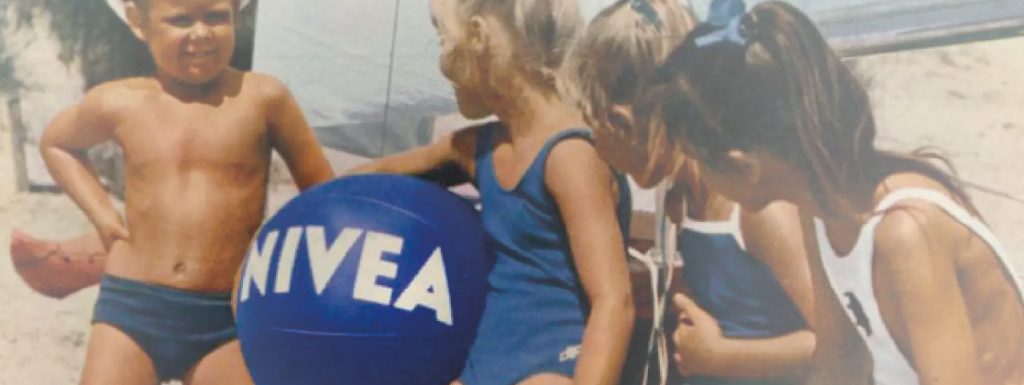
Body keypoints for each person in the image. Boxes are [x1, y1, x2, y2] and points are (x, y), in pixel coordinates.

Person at [642, 2, 1024, 384]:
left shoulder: (905, 234)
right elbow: (839, 363)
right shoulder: (821, 212)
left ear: (745, 167)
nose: (699, 177)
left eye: (697, 161)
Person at [39, 0, 333, 383]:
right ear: (138, 21)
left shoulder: (264, 98)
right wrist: (102, 213)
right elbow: (57, 143)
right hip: (133, 307)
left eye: (216, 16)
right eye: (180, 20)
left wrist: (272, 254)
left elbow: (325, 195)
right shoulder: (119, 101)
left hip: (225, 316)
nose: (201, 33)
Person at [349, 0, 634, 383]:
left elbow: (614, 302)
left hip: (556, 368)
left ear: (478, 36)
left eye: (442, 40)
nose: (442, 65)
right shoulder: (478, 149)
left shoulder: (569, 156)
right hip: (486, 367)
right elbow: (369, 178)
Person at [568, 1, 814, 384]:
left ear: (621, 120)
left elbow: (834, 344)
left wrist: (721, 356)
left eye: (593, 130)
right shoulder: (679, 198)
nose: (597, 150)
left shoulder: (756, 208)